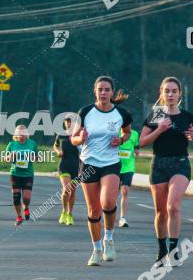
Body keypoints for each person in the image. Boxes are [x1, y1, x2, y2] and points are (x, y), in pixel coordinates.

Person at [70, 76, 132, 267]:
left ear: (112, 92)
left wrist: (120, 140)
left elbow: (127, 132)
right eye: (100, 89)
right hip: (88, 163)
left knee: (108, 202)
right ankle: (96, 250)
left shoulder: (121, 113)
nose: (103, 93)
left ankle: (109, 238)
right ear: (94, 91)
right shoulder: (86, 112)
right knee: (93, 209)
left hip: (111, 163)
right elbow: (73, 139)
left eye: (107, 89)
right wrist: (81, 138)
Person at [138, 76, 193, 266]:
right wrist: (159, 130)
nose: (170, 94)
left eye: (174, 91)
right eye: (167, 91)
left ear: (180, 93)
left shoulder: (187, 115)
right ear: (161, 94)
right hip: (159, 164)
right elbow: (142, 142)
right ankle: (162, 250)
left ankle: (174, 250)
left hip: (180, 163)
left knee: (173, 206)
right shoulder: (156, 115)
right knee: (161, 212)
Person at [5, 125, 38, 226]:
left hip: (28, 174)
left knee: (26, 198)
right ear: (16, 135)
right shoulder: (11, 144)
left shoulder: (32, 144)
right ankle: (19, 216)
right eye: (20, 134)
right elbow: (6, 159)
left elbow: (37, 158)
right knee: (16, 197)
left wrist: (33, 157)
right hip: (15, 173)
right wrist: (11, 156)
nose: (22, 136)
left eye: (23, 134)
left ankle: (26, 208)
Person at [54, 116, 80, 225]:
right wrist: (58, 151)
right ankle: (64, 211)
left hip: (76, 166)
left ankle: (69, 214)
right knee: (66, 189)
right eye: (67, 122)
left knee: (72, 191)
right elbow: (55, 146)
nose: (69, 124)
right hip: (64, 165)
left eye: (71, 122)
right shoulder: (61, 135)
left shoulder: (79, 136)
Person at [117, 127, 140, 228]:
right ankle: (109, 214)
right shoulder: (114, 133)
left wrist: (136, 152)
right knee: (112, 194)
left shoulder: (134, 134)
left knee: (125, 191)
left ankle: (122, 218)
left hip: (128, 168)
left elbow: (136, 147)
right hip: (114, 167)